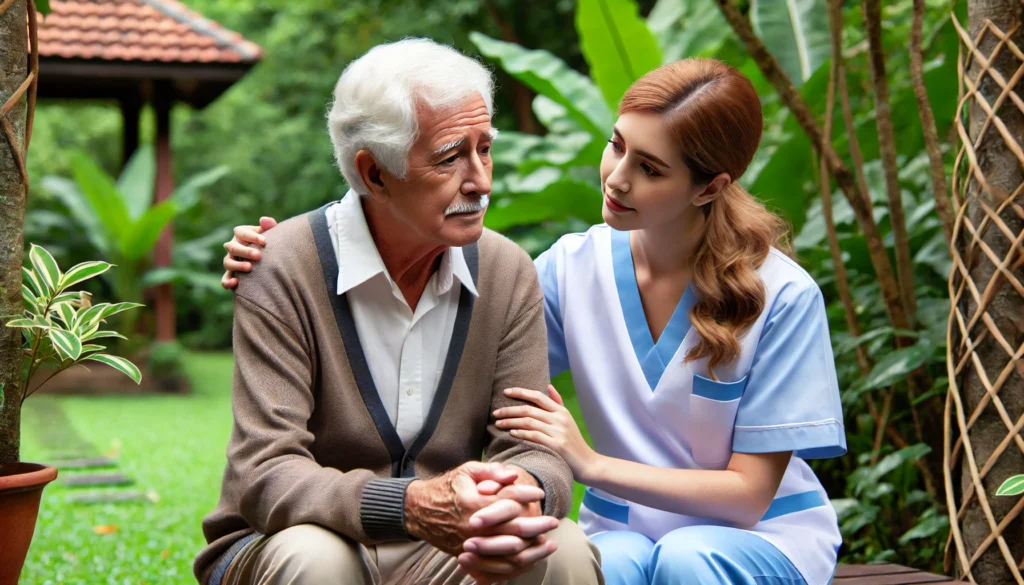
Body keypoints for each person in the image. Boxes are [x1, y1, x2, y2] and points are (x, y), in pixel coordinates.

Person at [222, 58, 846, 585]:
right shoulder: (565, 270)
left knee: (672, 558)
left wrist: (579, 466)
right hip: (625, 527)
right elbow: (488, 374)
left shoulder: (782, 295)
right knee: (609, 561)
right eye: (617, 146)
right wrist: (282, 257)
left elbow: (746, 493)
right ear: (373, 172)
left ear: (709, 188)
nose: (617, 178)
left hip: (754, 531)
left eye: (650, 169)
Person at [197, 38, 603, 585]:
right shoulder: (281, 267)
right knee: (319, 561)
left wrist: (517, 499)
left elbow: (531, 446)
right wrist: (409, 505)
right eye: (450, 157)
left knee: (562, 547)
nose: (481, 180)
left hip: (446, 548)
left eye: (485, 148)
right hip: (297, 538)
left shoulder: (507, 271)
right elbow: (264, 470)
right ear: (374, 174)